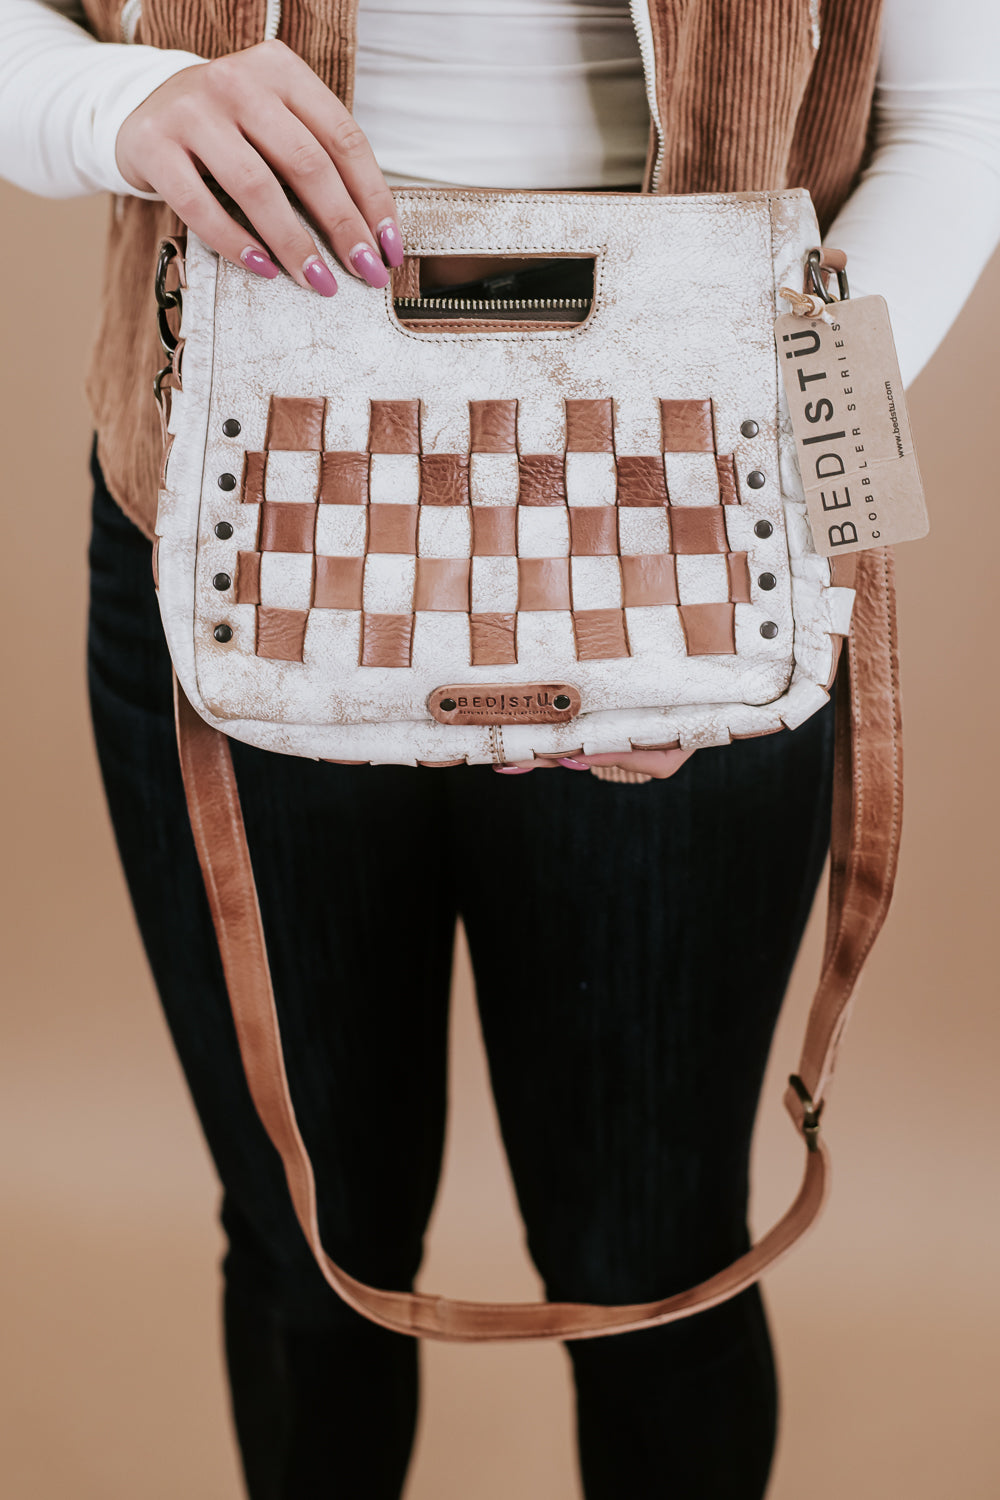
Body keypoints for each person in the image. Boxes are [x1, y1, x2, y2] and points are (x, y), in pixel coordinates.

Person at [1, 1, 998, 1495]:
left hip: (689, 522)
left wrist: (762, 508)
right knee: (304, 1253)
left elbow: (958, 119)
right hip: (236, 533)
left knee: (658, 1270)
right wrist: (117, 102)